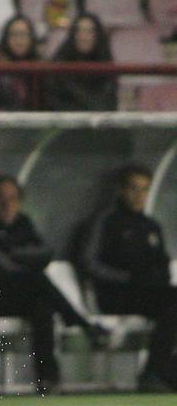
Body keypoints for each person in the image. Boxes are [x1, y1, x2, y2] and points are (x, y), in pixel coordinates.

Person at [0, 175, 102, 395]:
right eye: (2, 198)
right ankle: (79, 322)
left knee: (43, 309)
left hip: (19, 294)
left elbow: (46, 253)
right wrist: (23, 258)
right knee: (36, 279)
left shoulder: (23, 223)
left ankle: (48, 378)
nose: (8, 204)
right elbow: (1, 264)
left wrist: (15, 254)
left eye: (13, 198)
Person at [78, 165, 177, 392]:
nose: (139, 195)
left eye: (144, 190)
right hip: (116, 294)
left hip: (148, 293)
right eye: (133, 188)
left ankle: (165, 372)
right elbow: (88, 262)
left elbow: (163, 263)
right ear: (121, 190)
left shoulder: (151, 226)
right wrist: (127, 278)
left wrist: (158, 278)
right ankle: (153, 373)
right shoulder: (106, 222)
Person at [47, 13, 117, 111]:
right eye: (80, 31)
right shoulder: (59, 64)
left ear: (97, 36)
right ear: (73, 35)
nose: (84, 37)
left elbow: (107, 103)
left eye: (90, 32)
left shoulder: (106, 66)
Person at [0, 14, 40, 110]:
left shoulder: (41, 66)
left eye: (24, 34)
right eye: (14, 34)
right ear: (6, 38)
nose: (19, 40)